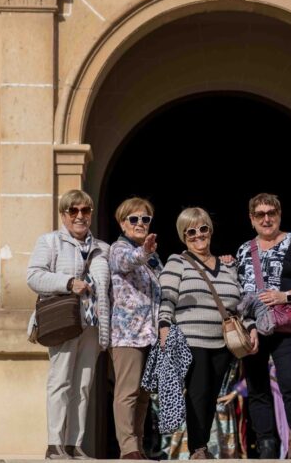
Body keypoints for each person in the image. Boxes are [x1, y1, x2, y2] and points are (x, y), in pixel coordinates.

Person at [158, 208, 257, 461]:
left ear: (210, 231)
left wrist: (250, 326)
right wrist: (164, 327)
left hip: (223, 342)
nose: (198, 235)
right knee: (198, 392)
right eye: (190, 232)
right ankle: (198, 448)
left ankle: (200, 447)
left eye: (203, 229)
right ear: (183, 236)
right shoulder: (177, 262)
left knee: (211, 394)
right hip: (191, 338)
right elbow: (166, 298)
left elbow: (239, 304)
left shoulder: (228, 266)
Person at [27, 189, 110, 460]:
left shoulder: (102, 248)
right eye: (73, 211)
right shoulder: (50, 241)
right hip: (64, 321)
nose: (79, 216)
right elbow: (33, 276)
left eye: (85, 210)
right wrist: (68, 282)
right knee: (60, 381)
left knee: (83, 385)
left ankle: (74, 445)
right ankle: (55, 445)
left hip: (92, 324)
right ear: (63, 215)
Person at [235, 193, 291, 459]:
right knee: (257, 388)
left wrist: (285, 296)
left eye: (271, 213)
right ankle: (266, 446)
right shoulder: (243, 250)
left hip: (285, 326)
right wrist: (248, 325)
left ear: (279, 215)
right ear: (251, 219)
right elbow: (238, 292)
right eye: (260, 214)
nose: (266, 219)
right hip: (253, 328)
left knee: (290, 382)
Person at [110, 197, 162, 460]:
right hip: (127, 335)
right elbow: (126, 262)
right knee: (127, 392)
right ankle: (128, 448)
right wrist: (144, 252)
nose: (140, 223)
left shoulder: (154, 258)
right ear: (123, 223)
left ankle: (138, 447)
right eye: (134, 219)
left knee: (143, 396)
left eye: (145, 219)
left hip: (150, 335)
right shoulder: (118, 249)